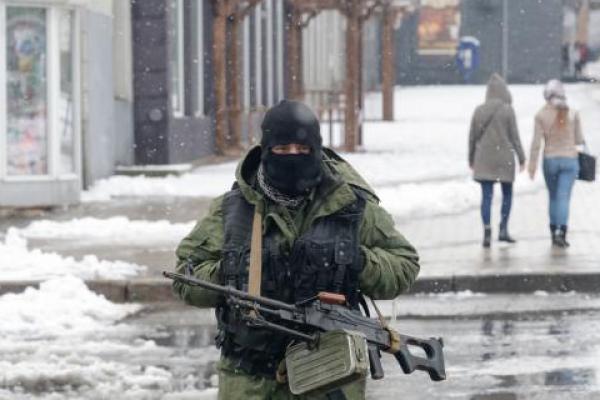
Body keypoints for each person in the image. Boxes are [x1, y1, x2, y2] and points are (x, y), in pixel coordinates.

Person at [172, 100, 420, 400]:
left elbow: (404, 265)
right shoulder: (235, 210)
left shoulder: (349, 205)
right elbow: (185, 277)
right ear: (266, 151)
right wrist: (233, 271)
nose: (293, 157)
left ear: (316, 149)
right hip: (250, 381)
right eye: (282, 149)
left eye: (303, 151)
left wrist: (355, 260)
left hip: (329, 377)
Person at [468, 73, 526, 248]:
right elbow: (514, 137)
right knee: (507, 194)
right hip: (504, 159)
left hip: (484, 158)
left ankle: (487, 231)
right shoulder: (508, 110)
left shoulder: (479, 110)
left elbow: (472, 138)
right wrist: (522, 158)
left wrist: (471, 158)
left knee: (486, 196)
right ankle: (503, 229)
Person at [528, 80, 585, 248]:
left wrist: (532, 166)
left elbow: (536, 143)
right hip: (570, 160)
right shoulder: (573, 113)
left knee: (553, 197)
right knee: (563, 198)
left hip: (550, 160)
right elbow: (579, 139)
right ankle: (562, 231)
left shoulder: (541, 115)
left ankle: (553, 231)